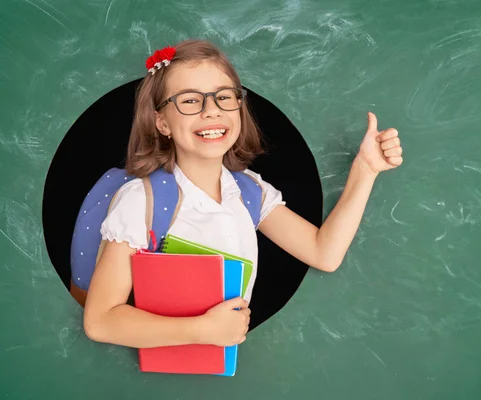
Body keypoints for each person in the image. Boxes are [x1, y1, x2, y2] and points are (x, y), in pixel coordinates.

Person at [83, 39, 403, 350]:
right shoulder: (143, 199)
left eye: (224, 97)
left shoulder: (249, 190)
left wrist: (366, 169)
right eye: (190, 100)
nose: (212, 112)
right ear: (161, 122)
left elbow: (324, 254)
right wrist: (201, 330)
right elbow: (100, 321)